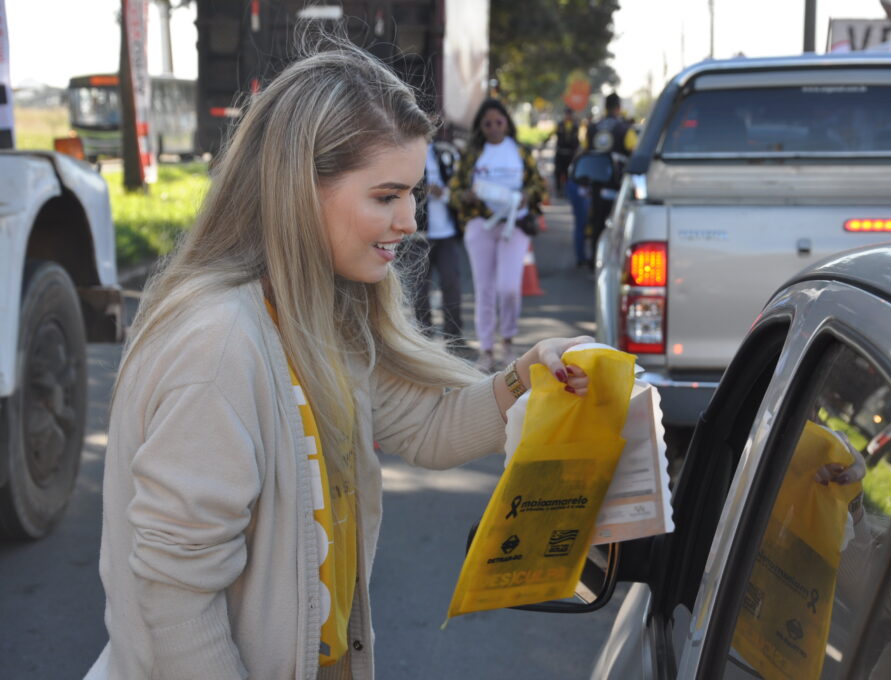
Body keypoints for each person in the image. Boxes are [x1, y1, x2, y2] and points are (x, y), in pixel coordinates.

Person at [85, 46, 591, 680]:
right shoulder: (218, 346)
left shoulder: (318, 313)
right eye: (386, 196)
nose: (409, 220)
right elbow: (176, 603)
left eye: (412, 193)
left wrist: (528, 376)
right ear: (300, 190)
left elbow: (427, 427)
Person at [448, 98, 548, 372]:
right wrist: (466, 196)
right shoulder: (472, 154)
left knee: (509, 287)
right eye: (487, 123)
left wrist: (526, 196)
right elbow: (454, 191)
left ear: (507, 123)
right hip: (480, 224)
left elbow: (539, 186)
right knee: (484, 289)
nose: (493, 128)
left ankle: (508, 341)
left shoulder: (519, 152)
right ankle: (487, 350)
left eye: (498, 122)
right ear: (480, 126)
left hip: (514, 224)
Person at [403, 131, 465, 346]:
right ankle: (424, 338)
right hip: (418, 233)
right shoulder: (405, 153)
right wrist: (424, 190)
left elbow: (461, 184)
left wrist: (445, 193)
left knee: (452, 283)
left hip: (446, 232)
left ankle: (454, 337)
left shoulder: (445, 152)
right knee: (420, 287)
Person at [583, 93, 637, 267]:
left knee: (596, 222)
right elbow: (634, 153)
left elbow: (585, 151)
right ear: (618, 108)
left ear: (605, 107)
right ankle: (613, 262)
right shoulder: (625, 129)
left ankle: (594, 261)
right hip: (616, 185)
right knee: (617, 223)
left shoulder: (592, 127)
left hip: (595, 184)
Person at [553, 107, 580, 196]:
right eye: (566, 114)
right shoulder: (560, 125)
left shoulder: (575, 126)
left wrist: (577, 151)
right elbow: (552, 134)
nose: (568, 116)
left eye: (569, 114)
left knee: (568, 172)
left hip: (570, 154)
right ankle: (559, 189)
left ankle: (568, 191)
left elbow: (578, 140)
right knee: (558, 171)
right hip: (560, 152)